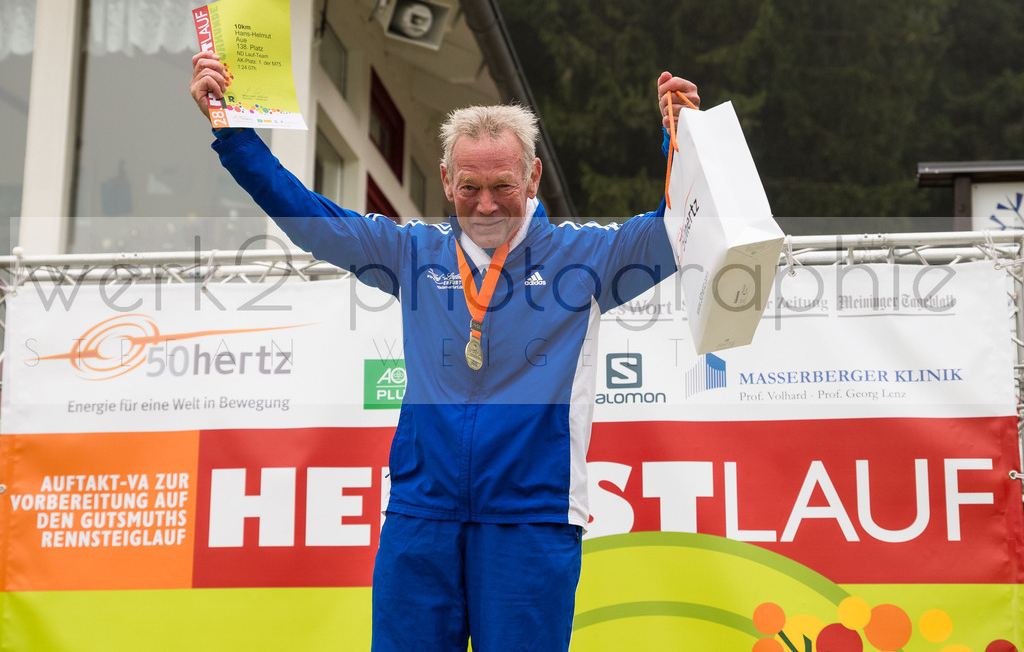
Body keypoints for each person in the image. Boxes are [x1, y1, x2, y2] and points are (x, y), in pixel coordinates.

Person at [190, 52, 698, 651]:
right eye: (471, 188)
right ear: (446, 180)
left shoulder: (586, 257)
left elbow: (675, 229)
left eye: (503, 186)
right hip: (421, 514)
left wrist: (684, 141)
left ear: (533, 178)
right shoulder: (412, 251)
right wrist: (233, 133)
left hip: (530, 518)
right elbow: (311, 219)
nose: (486, 205)